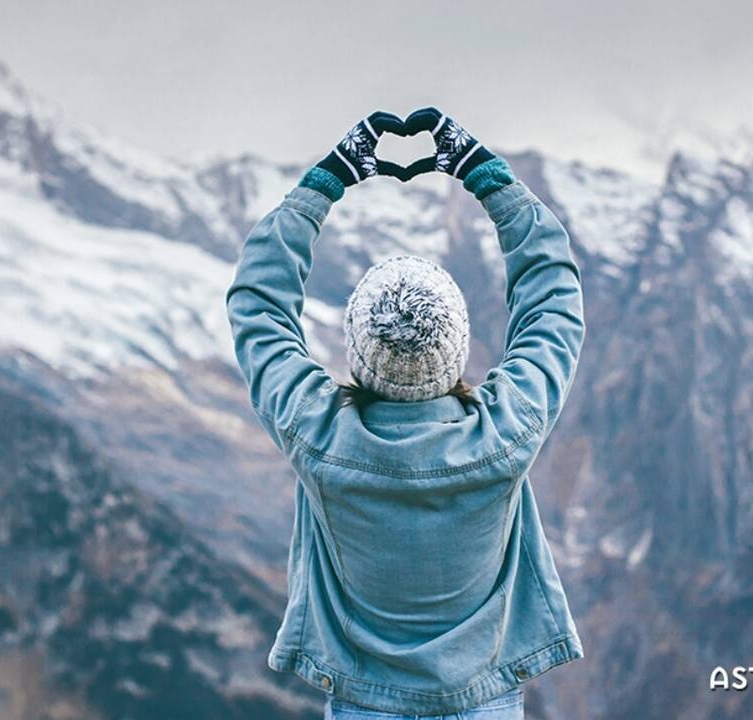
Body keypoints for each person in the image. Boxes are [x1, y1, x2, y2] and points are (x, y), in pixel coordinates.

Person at [225, 107, 585, 719]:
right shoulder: (506, 434)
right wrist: (481, 172)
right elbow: (552, 300)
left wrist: (328, 179)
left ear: (360, 355)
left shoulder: (320, 439)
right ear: (458, 349)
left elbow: (258, 306)